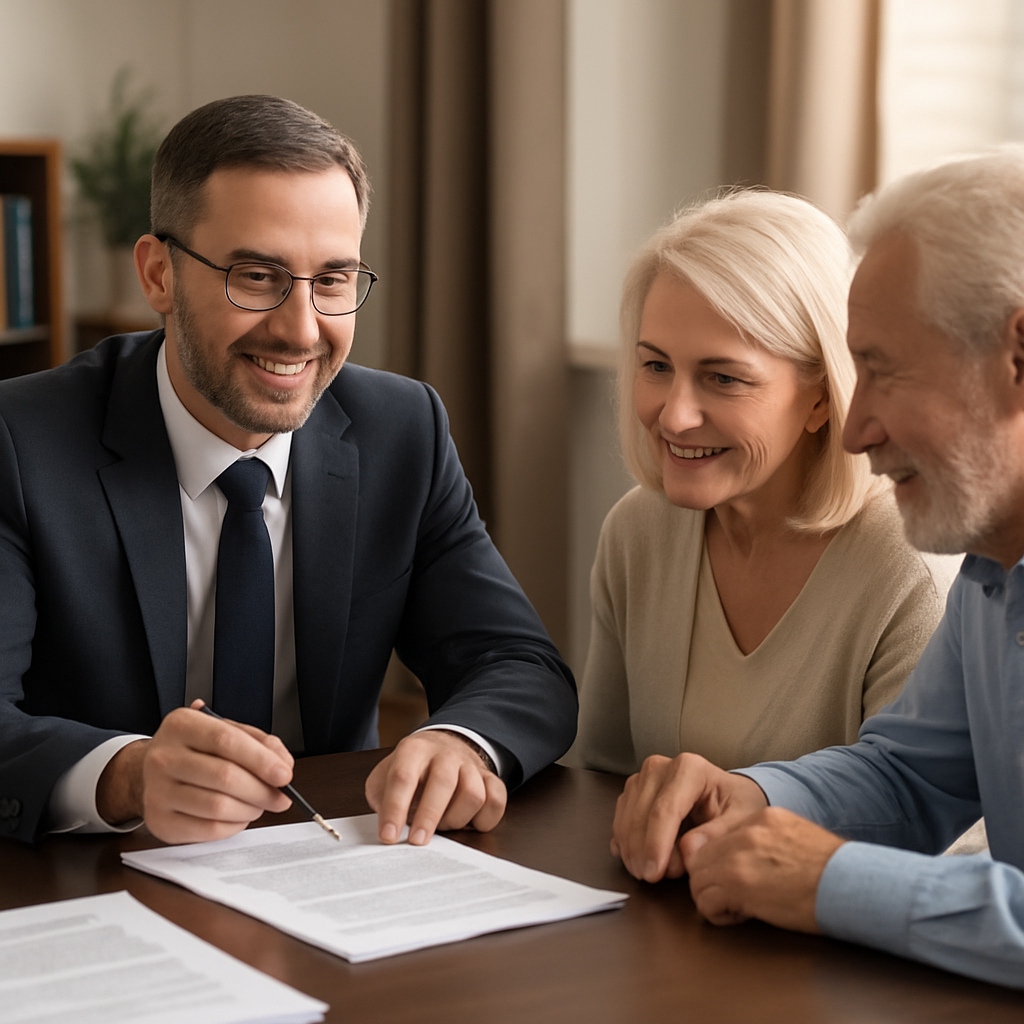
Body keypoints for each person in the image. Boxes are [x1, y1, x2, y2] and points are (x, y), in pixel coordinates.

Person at [0, 95, 576, 847]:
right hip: (91, 880)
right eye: (257, 275)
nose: (301, 330)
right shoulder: (20, 441)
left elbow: (519, 663)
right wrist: (126, 775)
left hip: (330, 871)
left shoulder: (403, 430)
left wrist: (463, 741)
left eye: (333, 280)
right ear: (159, 275)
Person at [610, 148, 1024, 990]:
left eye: (883, 369)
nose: (854, 426)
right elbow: (908, 774)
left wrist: (831, 879)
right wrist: (753, 801)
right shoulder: (992, 567)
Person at [569, 190, 957, 776]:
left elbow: (927, 839)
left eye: (723, 378)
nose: (674, 416)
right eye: (656, 366)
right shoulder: (638, 531)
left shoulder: (909, 571)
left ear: (823, 396)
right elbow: (602, 780)